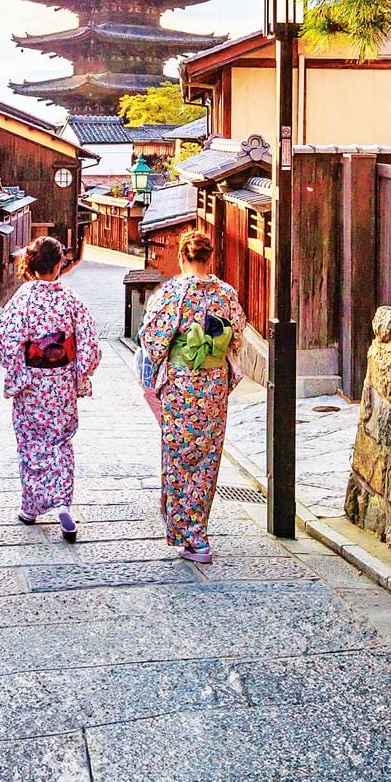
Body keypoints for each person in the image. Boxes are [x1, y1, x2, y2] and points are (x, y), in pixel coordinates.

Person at [137, 229, 245, 564]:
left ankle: (189, 535)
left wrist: (162, 360)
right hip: (213, 385)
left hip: (183, 384)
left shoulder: (173, 293)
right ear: (208, 257)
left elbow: (151, 339)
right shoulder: (226, 293)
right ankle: (198, 531)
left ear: (183, 257)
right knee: (207, 457)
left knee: (179, 453)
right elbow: (237, 337)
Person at [0, 235, 101, 539]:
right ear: (58, 265)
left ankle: (31, 506)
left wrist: (18, 371)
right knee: (61, 442)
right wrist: (81, 372)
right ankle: (63, 502)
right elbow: (88, 341)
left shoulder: (23, 299)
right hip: (62, 382)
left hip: (32, 384)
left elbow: (4, 338)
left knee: (30, 442)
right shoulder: (70, 299)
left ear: (34, 264)